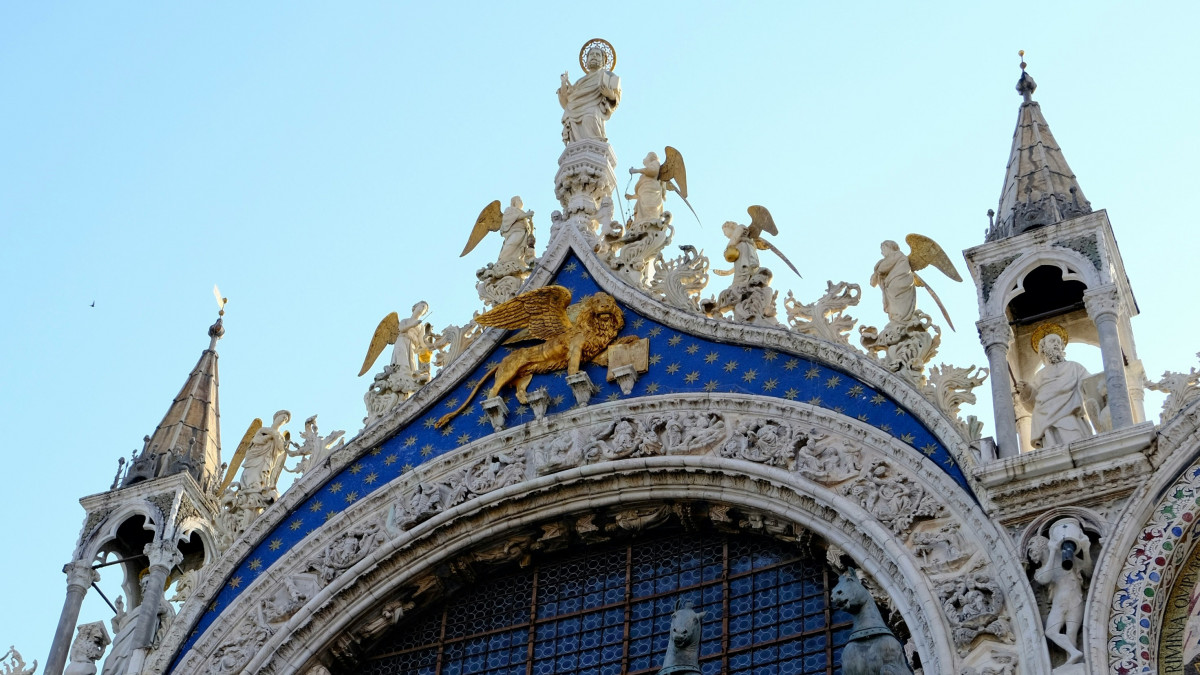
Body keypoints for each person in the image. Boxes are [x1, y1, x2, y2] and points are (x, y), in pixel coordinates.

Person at [1017, 327, 1094, 449]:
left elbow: (1091, 385)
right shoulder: (1040, 375)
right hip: (1047, 423)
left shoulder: (1074, 367)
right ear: (1043, 348)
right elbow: (1033, 404)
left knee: (1078, 446)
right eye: (1052, 341)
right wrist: (1027, 390)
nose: (1057, 345)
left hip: (1070, 416)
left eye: (1059, 343)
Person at [557, 45, 620, 144]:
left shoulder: (608, 76)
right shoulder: (580, 82)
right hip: (574, 109)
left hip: (594, 108)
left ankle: (595, 146)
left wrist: (610, 94)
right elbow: (567, 101)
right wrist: (563, 83)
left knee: (589, 117)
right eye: (591, 54)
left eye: (597, 55)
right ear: (586, 61)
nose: (594, 56)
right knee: (573, 121)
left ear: (603, 61)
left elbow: (615, 98)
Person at [870, 240, 916, 323]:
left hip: (899, 283)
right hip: (893, 285)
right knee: (896, 307)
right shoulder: (894, 257)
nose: (882, 253)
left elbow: (883, 268)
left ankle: (901, 320)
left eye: (883, 249)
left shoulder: (897, 254)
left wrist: (877, 270)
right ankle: (898, 320)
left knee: (900, 305)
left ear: (889, 247)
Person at [626, 152, 665, 226]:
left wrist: (637, 170)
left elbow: (653, 171)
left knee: (649, 209)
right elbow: (641, 195)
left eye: (646, 157)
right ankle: (641, 225)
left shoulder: (655, 162)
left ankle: (648, 225)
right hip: (645, 192)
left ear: (651, 157)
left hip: (651, 190)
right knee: (643, 210)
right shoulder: (646, 172)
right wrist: (632, 197)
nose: (644, 159)